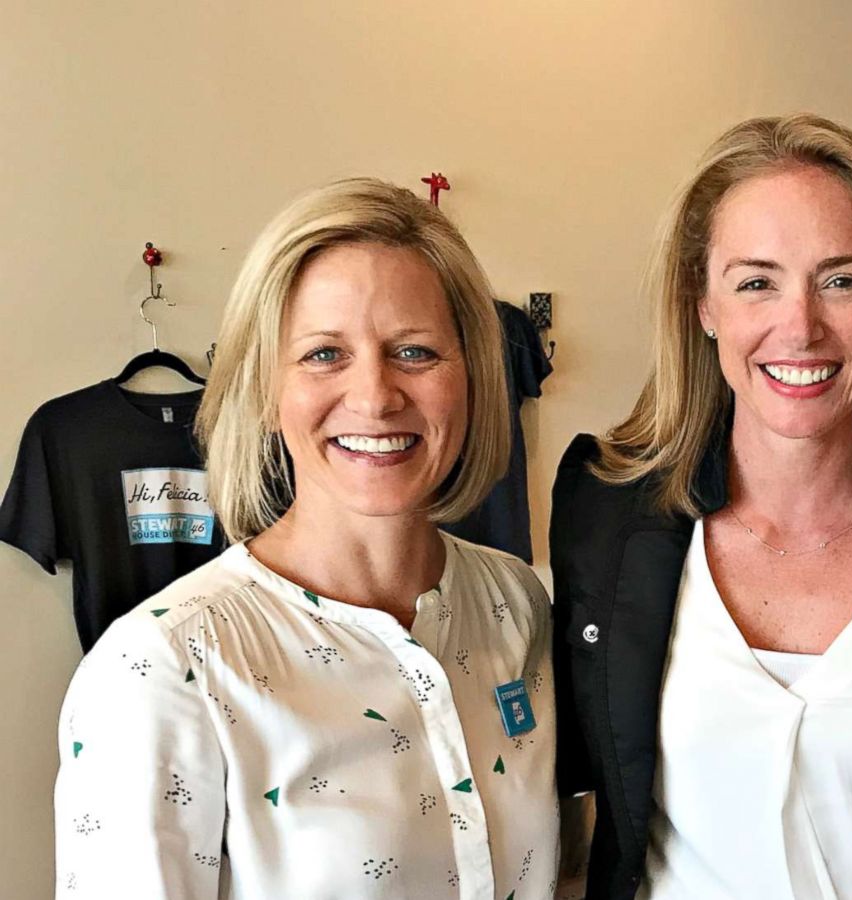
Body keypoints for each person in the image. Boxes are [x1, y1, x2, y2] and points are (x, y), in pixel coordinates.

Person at [551, 114, 852, 900]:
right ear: (702, 304)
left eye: (842, 280)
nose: (800, 327)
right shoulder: (602, 508)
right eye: (756, 282)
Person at [52, 178, 559, 899]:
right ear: (264, 389)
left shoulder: (516, 604)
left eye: (414, 351)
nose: (376, 396)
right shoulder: (166, 668)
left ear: (472, 378)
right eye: (324, 354)